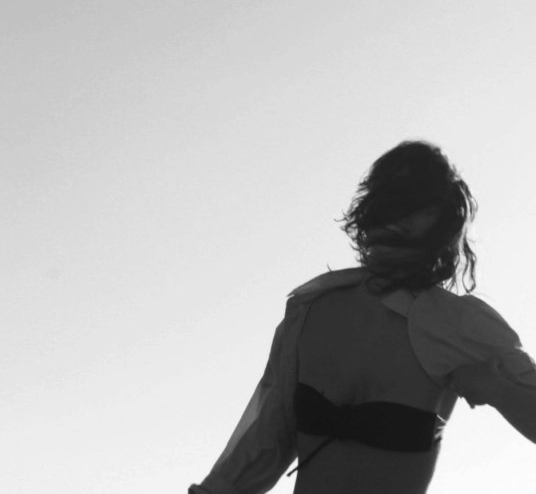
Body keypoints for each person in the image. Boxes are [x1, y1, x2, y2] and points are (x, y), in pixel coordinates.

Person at [188, 141, 536, 494]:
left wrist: (499, 389)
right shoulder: (313, 310)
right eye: (391, 200)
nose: (400, 217)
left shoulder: (456, 321)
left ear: (443, 218)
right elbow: (266, 439)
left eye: (416, 205)